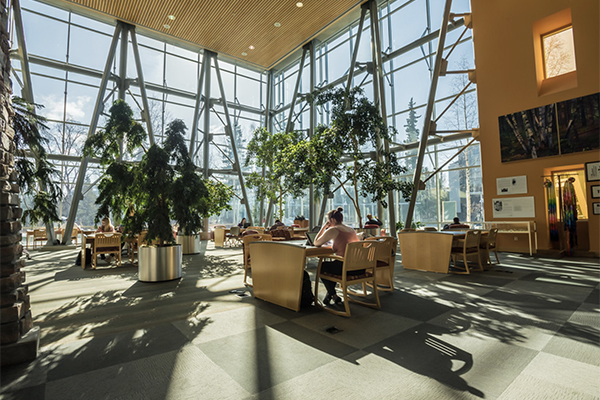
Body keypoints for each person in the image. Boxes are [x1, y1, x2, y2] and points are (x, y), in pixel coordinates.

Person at [314, 207, 360, 305]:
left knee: (323, 266)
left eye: (328, 221)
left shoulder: (333, 229)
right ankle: (331, 295)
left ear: (332, 220)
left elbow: (316, 243)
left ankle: (333, 295)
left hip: (345, 268)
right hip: (358, 267)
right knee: (332, 265)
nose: (328, 223)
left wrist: (324, 227)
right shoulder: (351, 229)